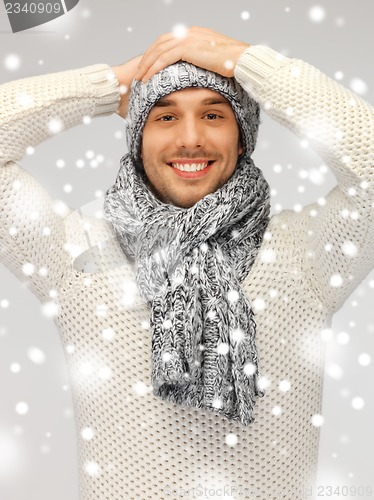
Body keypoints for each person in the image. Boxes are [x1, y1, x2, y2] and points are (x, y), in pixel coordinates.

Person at [0, 26, 372, 499]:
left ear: (243, 138)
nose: (190, 138)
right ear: (137, 137)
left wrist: (249, 63)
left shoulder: (307, 254)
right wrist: (113, 85)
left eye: (214, 114)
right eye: (165, 116)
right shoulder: (75, 253)